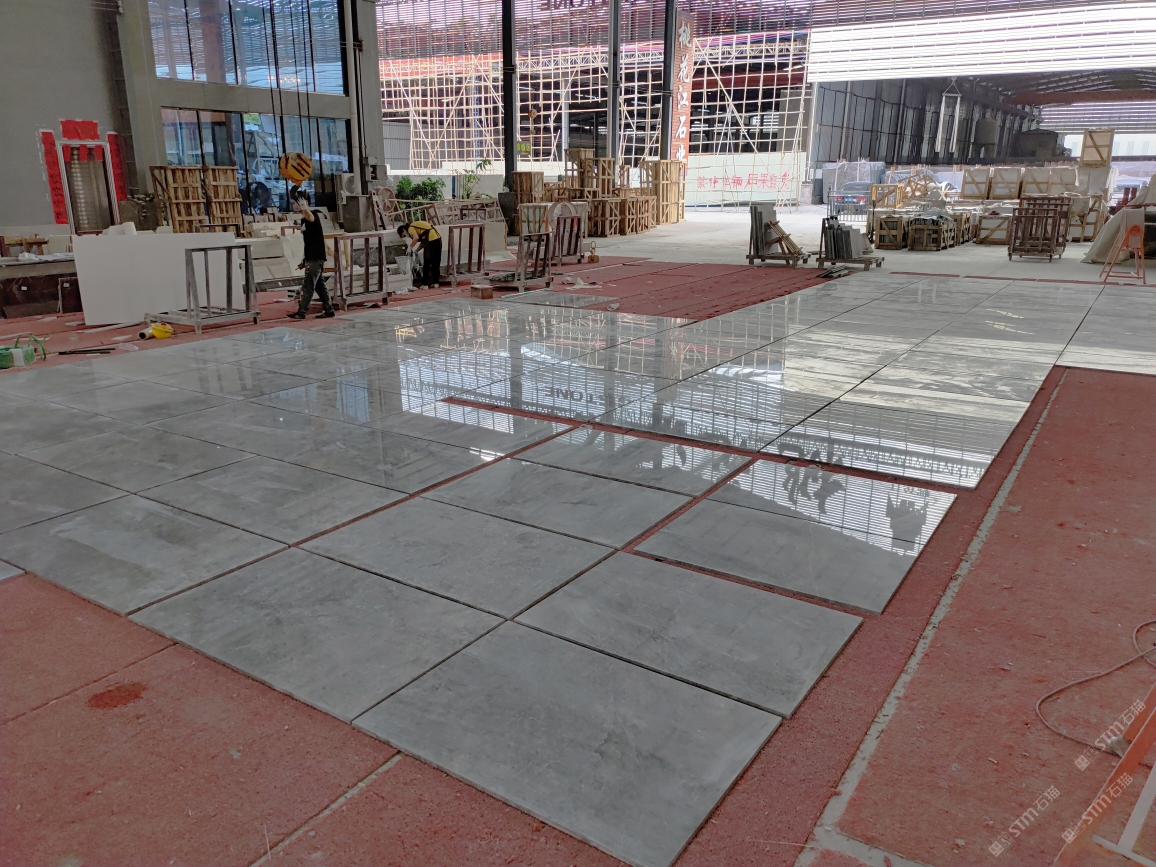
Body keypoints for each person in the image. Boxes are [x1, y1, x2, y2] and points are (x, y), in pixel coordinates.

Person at [287, 189, 334, 319]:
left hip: (316, 257)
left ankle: (301, 312)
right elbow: (309, 241)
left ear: (305, 202)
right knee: (320, 286)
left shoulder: (312, 215)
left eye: (296, 202)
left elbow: (310, 217)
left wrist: (304, 207)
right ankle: (329, 309)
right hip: (311, 257)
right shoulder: (303, 220)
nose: (294, 205)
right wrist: (304, 260)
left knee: (308, 285)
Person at [398, 220, 442, 289]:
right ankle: (436, 283)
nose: (406, 236)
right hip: (438, 239)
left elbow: (416, 238)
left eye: (404, 235)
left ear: (404, 230)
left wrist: (410, 247)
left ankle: (425, 284)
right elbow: (423, 242)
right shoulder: (418, 227)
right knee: (435, 262)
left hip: (431, 241)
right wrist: (416, 250)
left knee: (427, 262)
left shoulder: (410, 228)